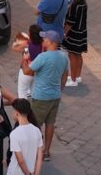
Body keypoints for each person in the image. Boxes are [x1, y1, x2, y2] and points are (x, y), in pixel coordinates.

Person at [22, 30, 67, 161]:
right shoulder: (63, 56)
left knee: (35, 125)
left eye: (45, 39)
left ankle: (35, 152)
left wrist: (24, 59)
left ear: (51, 42)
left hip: (41, 97)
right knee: (50, 123)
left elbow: (27, 71)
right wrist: (60, 87)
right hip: (55, 96)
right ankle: (46, 151)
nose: (43, 40)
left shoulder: (43, 57)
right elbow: (65, 74)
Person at [62, 0, 88, 87]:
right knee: (78, 54)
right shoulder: (84, 4)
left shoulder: (74, 6)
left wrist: (64, 32)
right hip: (82, 33)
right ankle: (78, 76)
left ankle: (73, 80)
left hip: (74, 34)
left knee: (72, 55)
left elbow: (70, 22)